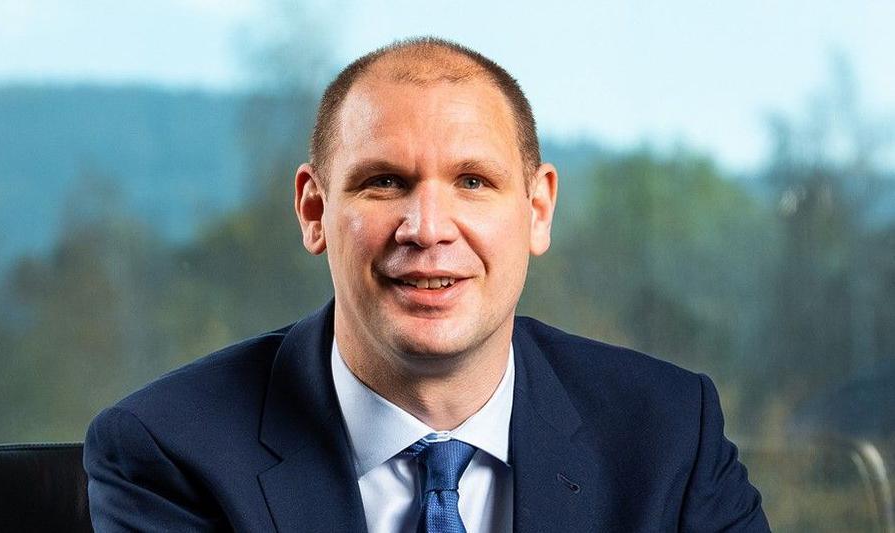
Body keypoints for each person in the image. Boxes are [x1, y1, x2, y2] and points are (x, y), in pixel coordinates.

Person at [84, 37, 769, 532]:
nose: (427, 227)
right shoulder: (169, 450)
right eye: (385, 181)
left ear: (536, 209)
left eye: (472, 181)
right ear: (314, 210)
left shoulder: (669, 431)